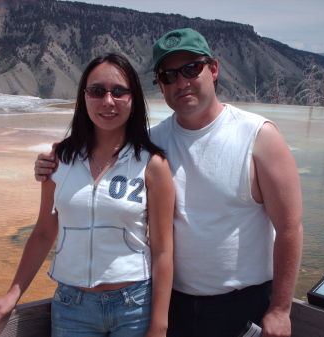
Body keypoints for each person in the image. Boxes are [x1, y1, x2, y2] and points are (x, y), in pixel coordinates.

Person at [34, 28, 303, 337]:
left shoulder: (258, 137)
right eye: (168, 75)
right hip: (173, 304)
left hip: (243, 305)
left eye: (191, 68)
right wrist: (52, 160)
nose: (181, 82)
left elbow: (290, 227)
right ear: (159, 84)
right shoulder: (153, 143)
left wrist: (281, 309)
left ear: (213, 69)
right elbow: (99, 157)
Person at [0, 53, 175, 337]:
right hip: (73, 308)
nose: (108, 101)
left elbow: (163, 250)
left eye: (119, 91)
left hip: (134, 306)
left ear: (134, 99)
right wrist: (12, 294)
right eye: (97, 91)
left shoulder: (153, 165)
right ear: (84, 97)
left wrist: (159, 324)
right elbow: (44, 232)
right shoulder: (60, 159)